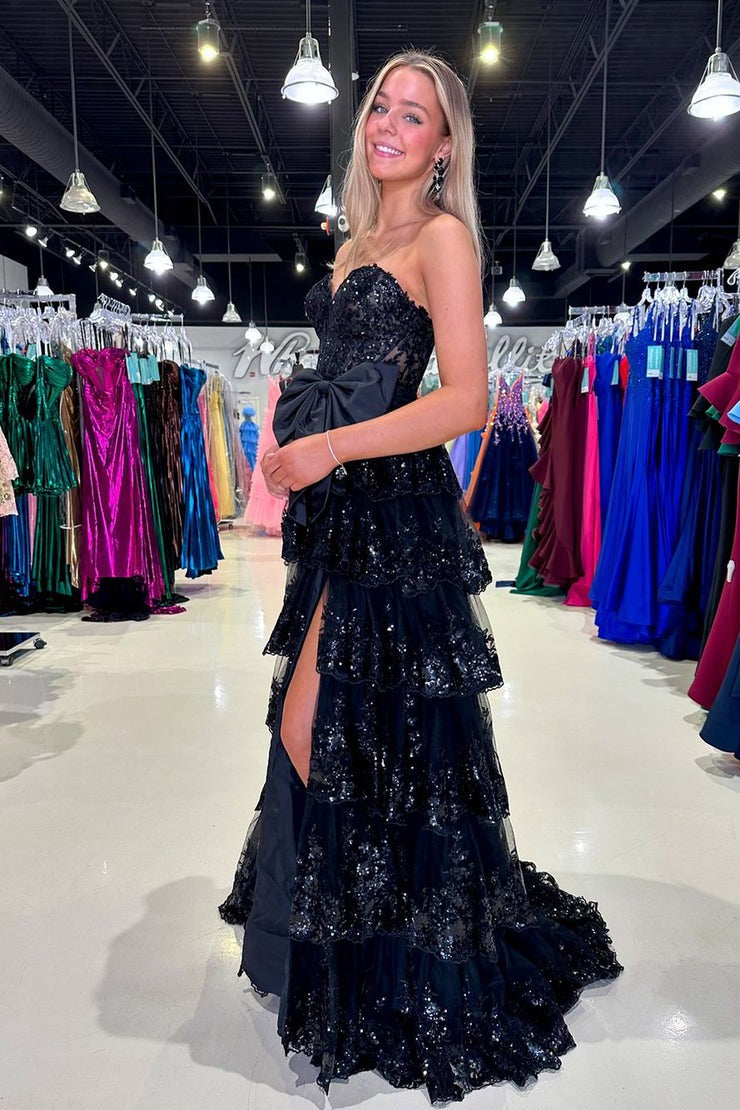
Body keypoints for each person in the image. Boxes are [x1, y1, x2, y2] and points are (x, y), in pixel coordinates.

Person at [219, 50, 621, 1104]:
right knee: (358, 732)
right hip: (342, 513)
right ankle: (355, 946)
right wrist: (304, 442)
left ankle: (382, 955)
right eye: (381, 108)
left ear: (444, 146)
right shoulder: (357, 239)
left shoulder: (443, 237)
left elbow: (465, 401)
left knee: (325, 728)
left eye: (415, 115)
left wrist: (331, 447)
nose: (389, 126)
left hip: (393, 515)